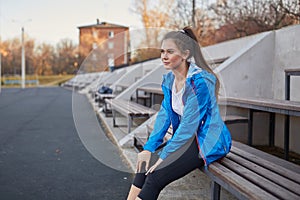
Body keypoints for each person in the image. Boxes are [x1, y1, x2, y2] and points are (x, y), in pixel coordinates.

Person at [127, 27, 232, 200]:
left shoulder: (201, 82)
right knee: (143, 165)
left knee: (155, 178)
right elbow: (164, 116)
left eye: (170, 51)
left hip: (206, 141)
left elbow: (189, 127)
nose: (164, 56)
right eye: (162, 51)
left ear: (185, 54)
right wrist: (148, 148)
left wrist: (164, 157)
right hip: (188, 139)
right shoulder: (169, 80)